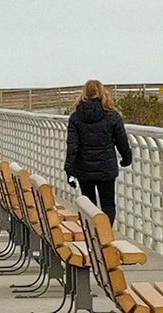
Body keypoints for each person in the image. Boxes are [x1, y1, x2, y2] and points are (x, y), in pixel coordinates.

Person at [64, 80, 132, 225]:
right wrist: (126, 159)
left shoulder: (75, 118)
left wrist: (70, 171)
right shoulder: (112, 116)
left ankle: (92, 236)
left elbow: (72, 147)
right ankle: (105, 236)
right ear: (102, 92)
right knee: (108, 204)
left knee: (88, 203)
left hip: (84, 168)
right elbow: (122, 142)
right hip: (106, 168)